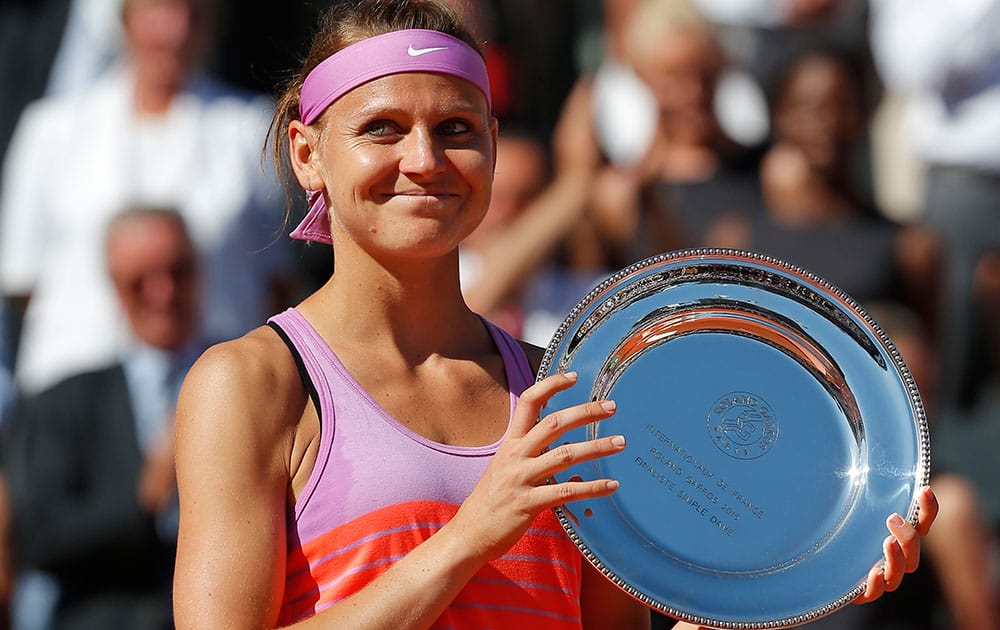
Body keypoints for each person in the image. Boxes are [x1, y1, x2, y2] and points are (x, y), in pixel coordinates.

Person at [171, 2, 937, 629]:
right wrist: (472, 533)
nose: (424, 159)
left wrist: (802, 577)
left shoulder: (567, 388)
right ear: (308, 155)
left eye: (457, 130)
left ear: (494, 150)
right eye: (381, 129)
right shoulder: (251, 383)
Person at [0, 0, 293, 396]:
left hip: (217, 392)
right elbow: (22, 280)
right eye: (159, 11)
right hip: (71, 399)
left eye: (194, 14)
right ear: (123, 20)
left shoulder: (249, 128)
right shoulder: (50, 130)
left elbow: (278, 277)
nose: (176, 31)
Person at [7, 207, 203, 630]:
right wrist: (144, 498)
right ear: (115, 287)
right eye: (140, 281)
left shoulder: (254, 377)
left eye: (179, 272)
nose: (163, 292)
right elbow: (41, 538)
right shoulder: (66, 401)